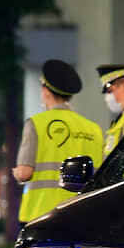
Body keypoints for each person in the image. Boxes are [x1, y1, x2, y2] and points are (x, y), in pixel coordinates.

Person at [13, 59, 104, 224]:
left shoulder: (36, 123)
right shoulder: (93, 129)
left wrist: (16, 173)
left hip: (40, 215)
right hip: (80, 214)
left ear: (45, 91)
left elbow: (24, 172)